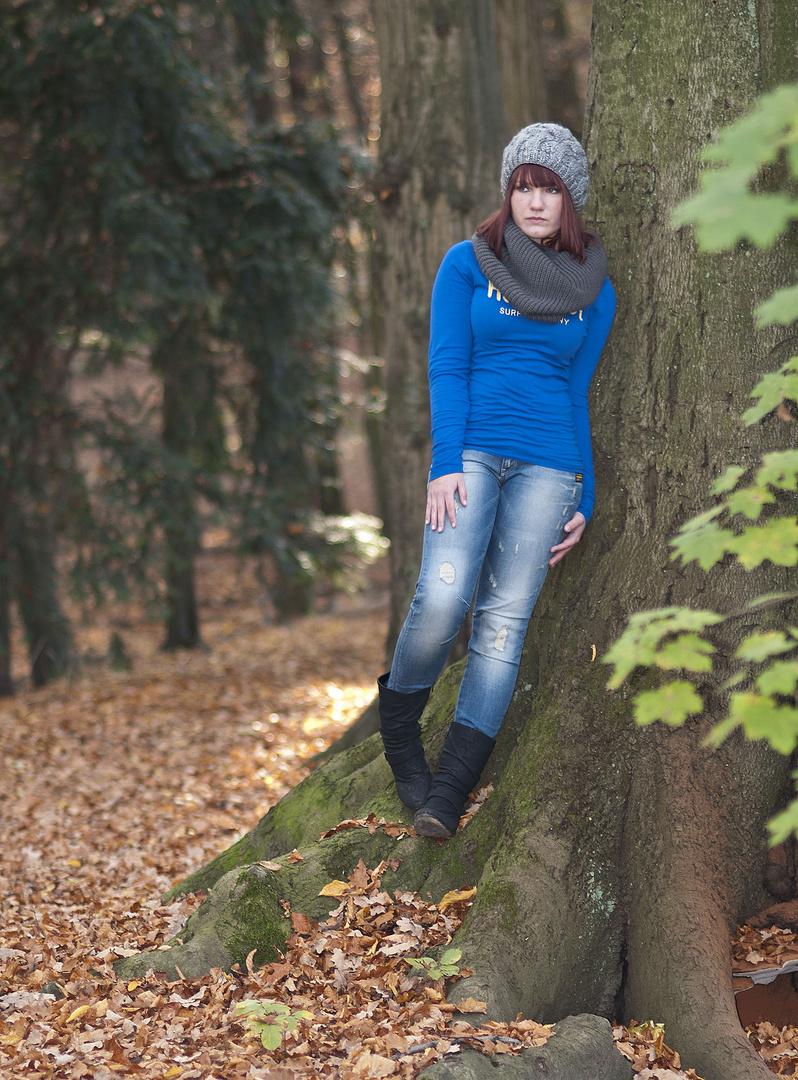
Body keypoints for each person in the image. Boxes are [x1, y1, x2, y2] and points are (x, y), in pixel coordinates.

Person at [378, 123, 616, 839]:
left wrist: (589, 495)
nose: (534, 201)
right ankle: (399, 739)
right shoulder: (466, 263)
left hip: (550, 465)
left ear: (568, 196)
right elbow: (445, 366)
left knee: (503, 625)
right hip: (472, 454)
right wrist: (445, 463)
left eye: (548, 188)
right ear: (507, 191)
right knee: (443, 596)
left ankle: (447, 791)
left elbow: (577, 396)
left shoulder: (593, 288)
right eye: (523, 186)